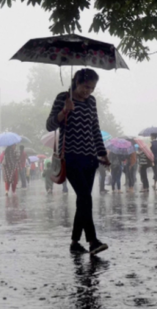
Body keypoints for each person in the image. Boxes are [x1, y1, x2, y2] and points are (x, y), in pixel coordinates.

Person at [47, 68, 110, 255]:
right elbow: (50, 124)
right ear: (76, 81)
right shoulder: (63, 97)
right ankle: (92, 241)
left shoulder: (91, 102)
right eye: (85, 86)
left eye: (92, 88)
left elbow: (95, 128)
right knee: (85, 198)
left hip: (90, 158)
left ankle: (75, 242)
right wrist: (64, 111)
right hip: (70, 156)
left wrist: (102, 153)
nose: (88, 91)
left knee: (83, 200)